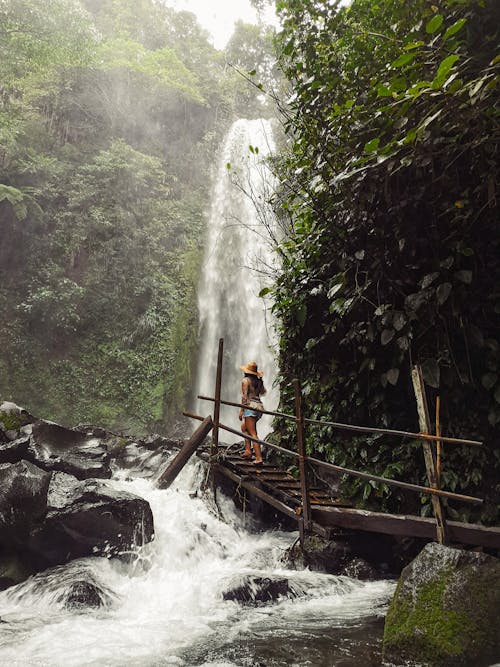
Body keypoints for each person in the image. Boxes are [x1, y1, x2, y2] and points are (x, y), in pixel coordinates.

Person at [238, 361, 267, 466]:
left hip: (250, 407)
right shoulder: (259, 382)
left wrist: (241, 410)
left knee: (253, 433)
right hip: (259, 407)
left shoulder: (245, 381)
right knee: (244, 428)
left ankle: (259, 458)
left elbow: (244, 397)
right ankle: (248, 451)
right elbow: (262, 393)